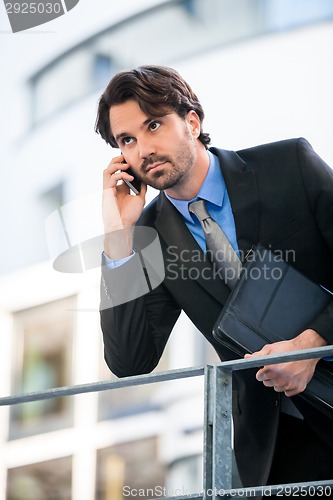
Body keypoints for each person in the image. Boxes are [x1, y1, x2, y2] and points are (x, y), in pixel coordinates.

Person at [95, 65, 333, 494]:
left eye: (153, 125)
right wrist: (118, 240)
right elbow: (131, 361)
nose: (144, 148)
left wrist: (312, 344)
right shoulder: (148, 240)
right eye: (127, 140)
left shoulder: (289, 165)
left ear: (191, 121)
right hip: (282, 447)